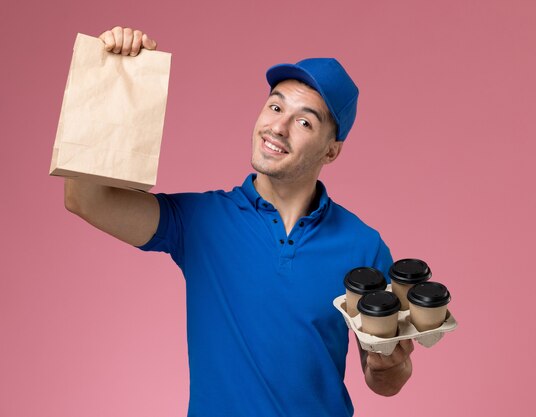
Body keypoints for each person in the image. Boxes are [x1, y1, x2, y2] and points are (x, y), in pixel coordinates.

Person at [65, 26, 414, 417]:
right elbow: (85, 199)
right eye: (276, 107)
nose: (278, 128)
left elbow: (383, 379)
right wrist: (109, 77)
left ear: (331, 151)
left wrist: (391, 365)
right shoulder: (200, 222)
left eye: (305, 122)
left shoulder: (363, 247)